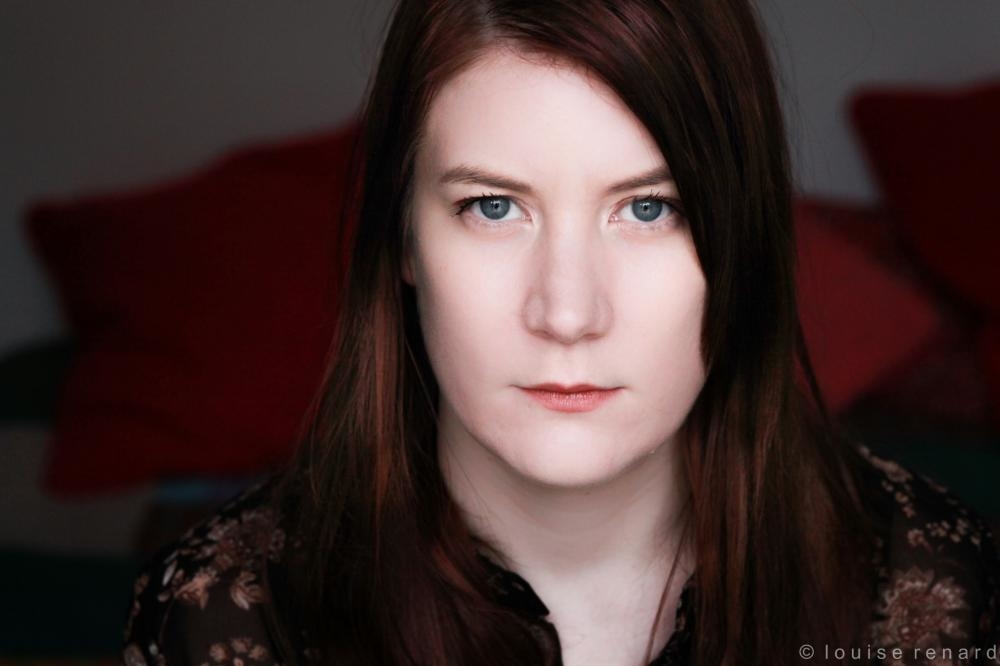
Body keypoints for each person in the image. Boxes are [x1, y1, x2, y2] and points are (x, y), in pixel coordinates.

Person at [121, 1, 1000, 665]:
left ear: (744, 241)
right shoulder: (228, 616)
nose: (569, 314)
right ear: (403, 238)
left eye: (649, 208)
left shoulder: (930, 594)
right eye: (493, 207)